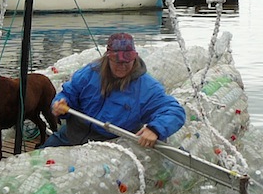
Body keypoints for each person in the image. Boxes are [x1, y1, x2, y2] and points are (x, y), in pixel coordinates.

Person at [42, 33, 186, 149]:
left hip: (110, 145)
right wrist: (60, 103)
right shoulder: (89, 73)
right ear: (108, 57)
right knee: (44, 155)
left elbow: (174, 110)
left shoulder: (147, 87)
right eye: (117, 62)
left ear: (134, 58)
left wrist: (155, 129)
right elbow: (68, 93)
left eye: (127, 62)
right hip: (72, 134)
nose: (122, 66)